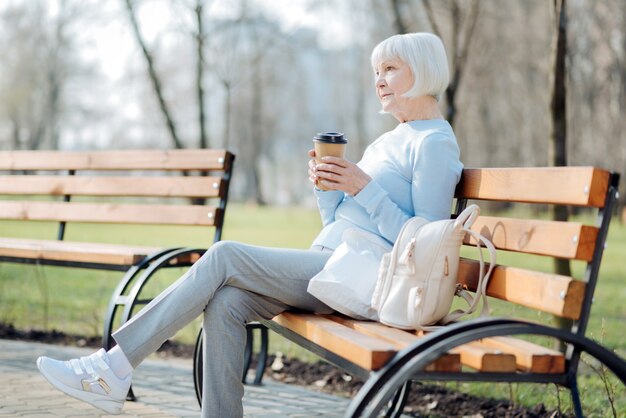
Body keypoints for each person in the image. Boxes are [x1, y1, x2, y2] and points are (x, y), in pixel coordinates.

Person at [36, 32, 463, 418]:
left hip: (368, 276)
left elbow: (424, 241)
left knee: (224, 256)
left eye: (390, 68)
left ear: (423, 70)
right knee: (227, 302)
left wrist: (363, 188)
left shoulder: (434, 143)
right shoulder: (388, 140)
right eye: (376, 71)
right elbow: (338, 222)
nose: (380, 79)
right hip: (331, 262)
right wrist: (328, 188)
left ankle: (113, 365)